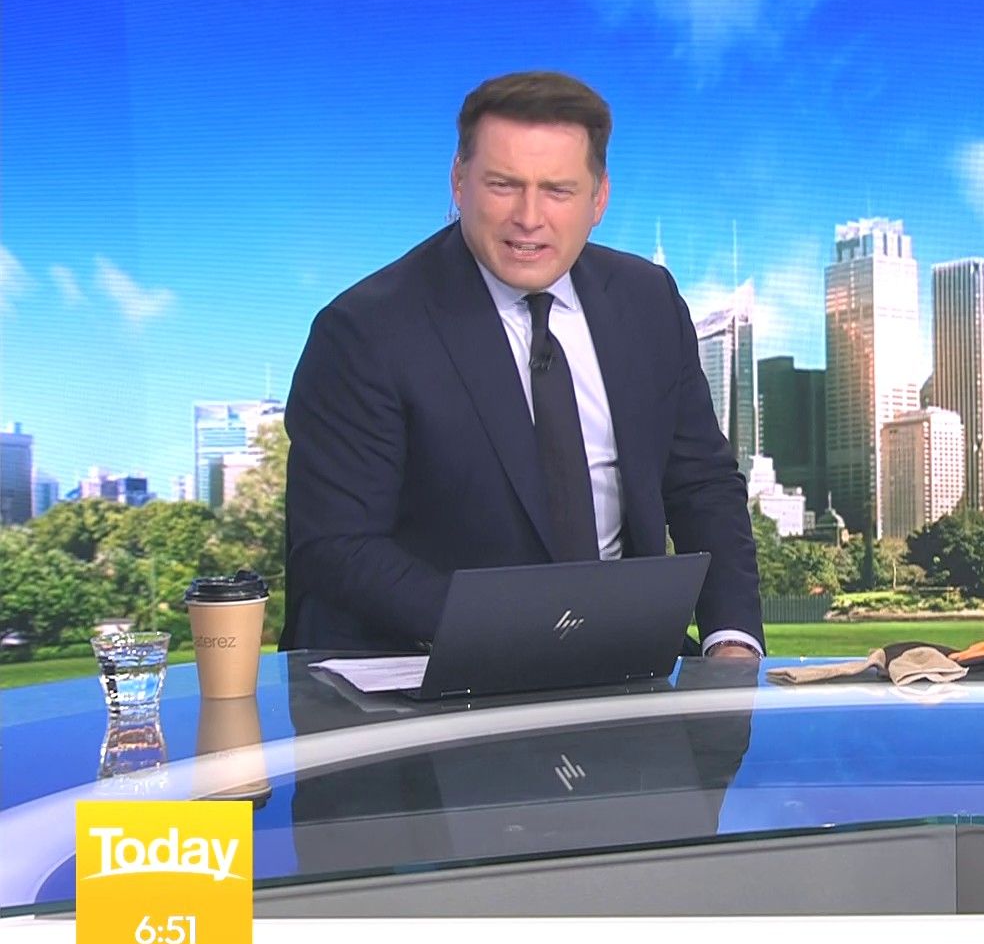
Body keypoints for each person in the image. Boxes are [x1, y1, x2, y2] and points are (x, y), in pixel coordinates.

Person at [283, 71, 762, 658]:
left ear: (599, 199)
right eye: (504, 185)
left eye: (557, 190)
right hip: (434, 662)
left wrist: (731, 640)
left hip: (627, 657)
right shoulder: (365, 330)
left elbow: (702, 487)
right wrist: (533, 634)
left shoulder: (648, 300)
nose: (529, 217)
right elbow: (338, 547)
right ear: (459, 182)